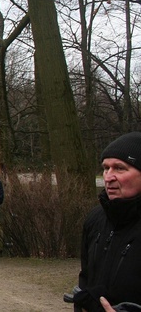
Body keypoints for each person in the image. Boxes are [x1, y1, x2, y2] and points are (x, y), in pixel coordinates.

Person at [70, 132, 141, 312]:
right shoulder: (96, 219)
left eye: (119, 168)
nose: (108, 177)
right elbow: (86, 277)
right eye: (105, 168)